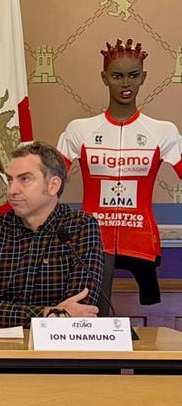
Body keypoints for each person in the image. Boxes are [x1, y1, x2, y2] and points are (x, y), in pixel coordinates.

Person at [57, 38, 182, 306]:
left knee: (152, 326)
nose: (126, 84)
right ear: (104, 78)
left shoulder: (163, 131)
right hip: (90, 242)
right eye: (117, 76)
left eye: (133, 76)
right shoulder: (80, 129)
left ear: (143, 78)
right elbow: (50, 183)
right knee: (93, 317)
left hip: (141, 242)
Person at [0, 142, 103, 327]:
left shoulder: (81, 227)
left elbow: (79, 309)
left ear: (53, 185)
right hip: (1, 350)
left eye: (24, 179)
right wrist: (48, 314)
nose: (12, 190)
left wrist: (53, 316)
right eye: (10, 180)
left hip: (59, 351)